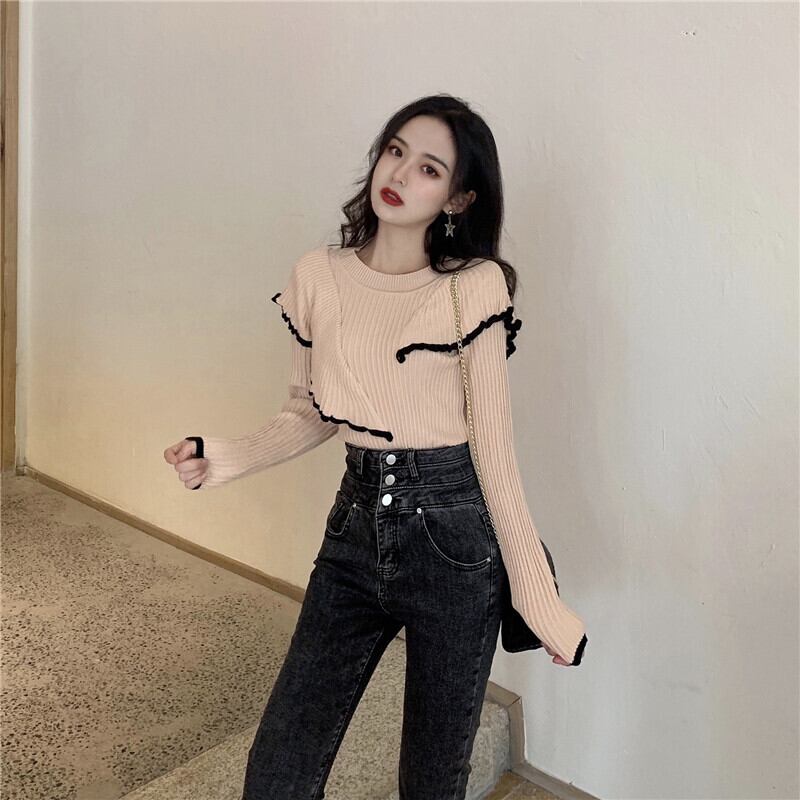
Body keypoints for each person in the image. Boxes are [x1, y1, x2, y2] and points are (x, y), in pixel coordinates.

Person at [163, 94, 588, 800]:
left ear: (458, 198)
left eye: (429, 168)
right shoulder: (319, 275)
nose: (400, 174)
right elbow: (311, 411)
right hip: (354, 530)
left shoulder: (472, 288)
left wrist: (539, 600)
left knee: (430, 781)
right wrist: (226, 456)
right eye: (395, 151)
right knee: (278, 770)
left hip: (455, 539)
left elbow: (494, 455)